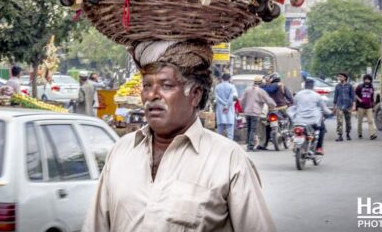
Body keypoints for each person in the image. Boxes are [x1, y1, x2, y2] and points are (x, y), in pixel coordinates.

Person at [82, 40, 276, 232]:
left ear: (195, 95)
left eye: (166, 85)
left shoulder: (229, 160)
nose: (152, 95)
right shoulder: (121, 152)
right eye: (147, 86)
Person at [291, 79, 332, 155]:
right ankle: (319, 148)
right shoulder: (316, 95)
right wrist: (331, 113)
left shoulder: (298, 94)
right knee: (322, 129)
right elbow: (324, 108)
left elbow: (295, 105)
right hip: (313, 120)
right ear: (313, 86)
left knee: (297, 130)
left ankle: (295, 145)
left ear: (304, 86)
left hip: (299, 120)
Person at [239, 75, 276, 152]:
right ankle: (251, 147)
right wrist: (273, 106)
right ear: (261, 83)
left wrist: (243, 109)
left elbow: (241, 101)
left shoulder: (247, 89)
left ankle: (249, 145)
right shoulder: (261, 91)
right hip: (255, 113)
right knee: (253, 130)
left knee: (249, 129)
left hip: (247, 112)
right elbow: (268, 100)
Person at [214, 73, 238, 140]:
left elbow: (217, 97)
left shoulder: (217, 87)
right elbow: (233, 97)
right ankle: (230, 146)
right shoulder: (232, 87)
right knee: (230, 131)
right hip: (229, 110)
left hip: (220, 110)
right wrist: (227, 106)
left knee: (220, 130)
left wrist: (223, 104)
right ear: (229, 79)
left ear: (222, 78)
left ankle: (219, 145)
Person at [333, 72, 355, 141]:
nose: (340, 78)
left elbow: (353, 96)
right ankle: (340, 136)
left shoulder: (349, 86)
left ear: (345, 78)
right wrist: (334, 107)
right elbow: (335, 97)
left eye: (341, 77)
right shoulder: (337, 86)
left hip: (348, 105)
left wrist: (354, 106)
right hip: (339, 105)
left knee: (348, 122)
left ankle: (348, 134)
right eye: (339, 77)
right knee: (339, 121)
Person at [355, 74, 377, 140]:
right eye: (366, 79)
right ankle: (359, 133)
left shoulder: (371, 87)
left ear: (370, 80)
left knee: (370, 121)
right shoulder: (360, 86)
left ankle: (372, 134)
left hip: (369, 107)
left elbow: (372, 97)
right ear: (364, 79)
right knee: (360, 121)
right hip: (360, 106)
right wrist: (360, 100)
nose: (367, 80)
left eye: (368, 79)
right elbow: (355, 94)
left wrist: (373, 106)